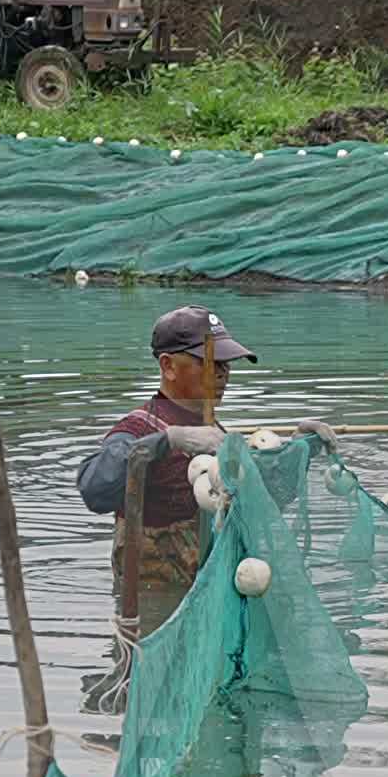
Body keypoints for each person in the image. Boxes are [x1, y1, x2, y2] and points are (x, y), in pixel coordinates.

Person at [75, 304, 252, 709]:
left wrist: (299, 452)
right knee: (152, 705)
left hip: (203, 600)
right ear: (169, 366)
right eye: (210, 363)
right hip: (154, 609)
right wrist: (166, 442)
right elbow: (94, 488)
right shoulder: (140, 428)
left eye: (227, 364)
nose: (223, 374)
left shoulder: (215, 434)